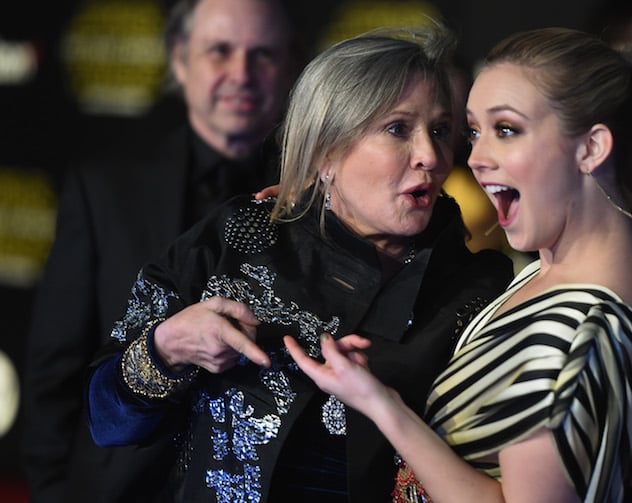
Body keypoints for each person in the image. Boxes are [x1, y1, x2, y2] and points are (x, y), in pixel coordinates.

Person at [84, 25, 513, 502]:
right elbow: (107, 421)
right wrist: (166, 347)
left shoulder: (476, 292)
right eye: (397, 129)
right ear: (326, 152)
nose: (430, 157)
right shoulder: (238, 238)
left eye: (439, 130)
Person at [286, 27, 632, 502]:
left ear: (591, 147)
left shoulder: (570, 332)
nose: (471, 159)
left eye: (507, 130)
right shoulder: (626, 260)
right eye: (474, 132)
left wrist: (385, 408)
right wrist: (334, 197)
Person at [22, 0, 299, 501]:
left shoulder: (317, 197)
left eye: (262, 55)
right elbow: (54, 373)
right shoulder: (105, 188)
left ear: (289, 69)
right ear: (178, 60)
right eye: (220, 51)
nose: (240, 73)